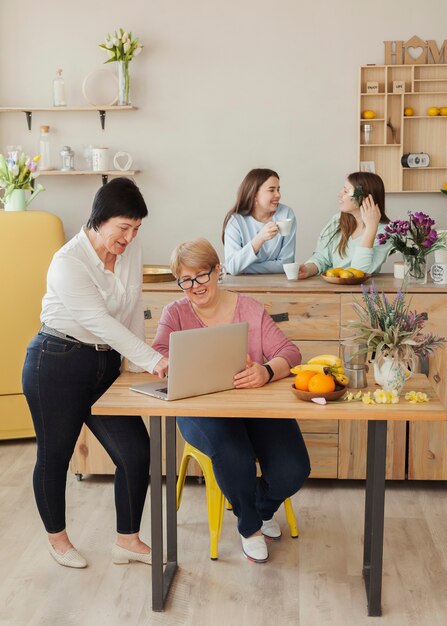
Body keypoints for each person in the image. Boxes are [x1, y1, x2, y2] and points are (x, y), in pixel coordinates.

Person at [22, 177, 168, 569]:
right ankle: (58, 540)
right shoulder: (68, 262)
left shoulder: (130, 251)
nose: (130, 236)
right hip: (56, 361)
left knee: (136, 453)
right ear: (99, 219)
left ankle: (127, 540)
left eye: (136, 228)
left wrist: (138, 367)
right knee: (56, 454)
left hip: (104, 364)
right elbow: (100, 321)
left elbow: (133, 307)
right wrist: (156, 359)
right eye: (124, 227)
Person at [152, 238, 310, 564]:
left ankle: (260, 508)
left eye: (201, 275)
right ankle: (250, 526)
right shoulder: (175, 313)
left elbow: (290, 353)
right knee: (233, 454)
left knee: (294, 469)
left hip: (253, 405)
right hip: (201, 410)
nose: (195, 286)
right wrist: (169, 364)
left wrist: (266, 372)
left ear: (217, 270)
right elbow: (159, 356)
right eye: (185, 280)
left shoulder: (248, 308)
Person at [298, 171, 392, 279]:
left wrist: (371, 228)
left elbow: (359, 273)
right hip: (331, 289)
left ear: (365, 198)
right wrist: (307, 269)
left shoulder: (385, 233)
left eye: (346, 191)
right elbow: (322, 258)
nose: (339, 194)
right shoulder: (337, 220)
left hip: (361, 294)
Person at [222, 168, 296, 275]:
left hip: (278, 285)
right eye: (271, 190)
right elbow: (233, 266)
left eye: (278, 189)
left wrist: (244, 269)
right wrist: (259, 239)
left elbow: (286, 263)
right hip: (243, 286)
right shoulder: (236, 221)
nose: (278, 195)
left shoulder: (286, 214)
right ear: (254, 194)